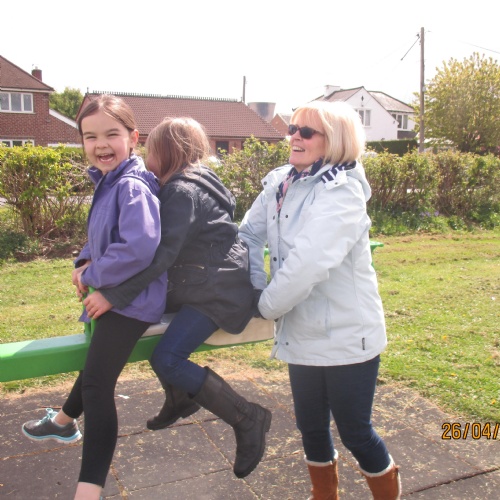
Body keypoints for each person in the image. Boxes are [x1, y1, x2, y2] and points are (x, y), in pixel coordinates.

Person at [82, 116, 272, 479]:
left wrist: (114, 295)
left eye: (151, 150)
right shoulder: (200, 180)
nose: (146, 157)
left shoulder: (182, 193)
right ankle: (180, 399)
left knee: (167, 358)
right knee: (138, 328)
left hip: (215, 294)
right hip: (207, 284)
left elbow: (161, 257)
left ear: (168, 152)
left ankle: (248, 417)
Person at [238, 101, 401, 499]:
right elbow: (247, 235)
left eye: (307, 132)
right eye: (292, 128)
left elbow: (307, 264)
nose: (294, 136)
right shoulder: (281, 183)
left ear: (335, 140)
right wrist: (257, 285)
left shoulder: (342, 192)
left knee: (355, 432)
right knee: (310, 427)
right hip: (301, 330)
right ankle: (323, 494)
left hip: (346, 335)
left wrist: (264, 306)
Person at [21, 94, 167, 500]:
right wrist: (85, 259)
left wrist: (95, 274)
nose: (101, 144)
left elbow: (139, 245)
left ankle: (88, 490)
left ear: (133, 138)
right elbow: (104, 234)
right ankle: (63, 422)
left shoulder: (131, 185)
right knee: (95, 367)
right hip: (120, 296)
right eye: (90, 136)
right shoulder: (110, 180)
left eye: (111, 134)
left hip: (133, 302)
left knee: (98, 386)